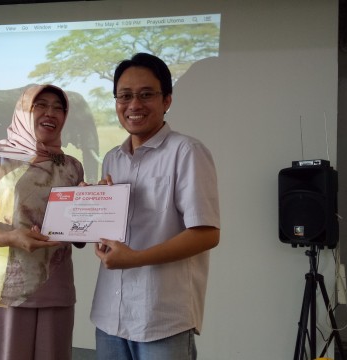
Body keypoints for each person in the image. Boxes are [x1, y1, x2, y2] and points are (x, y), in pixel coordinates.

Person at [90, 53, 221, 360]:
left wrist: (135, 259)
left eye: (146, 94)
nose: (134, 105)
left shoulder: (187, 152)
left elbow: (206, 233)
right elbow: (113, 234)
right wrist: (92, 209)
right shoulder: (112, 158)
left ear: (167, 100)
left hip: (161, 317)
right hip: (110, 313)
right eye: (125, 96)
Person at [0, 84, 85, 360]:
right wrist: (10, 237)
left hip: (56, 287)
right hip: (4, 289)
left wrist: (93, 207)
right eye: (41, 105)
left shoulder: (71, 166)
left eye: (58, 107)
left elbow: (78, 232)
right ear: (24, 110)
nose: (51, 112)